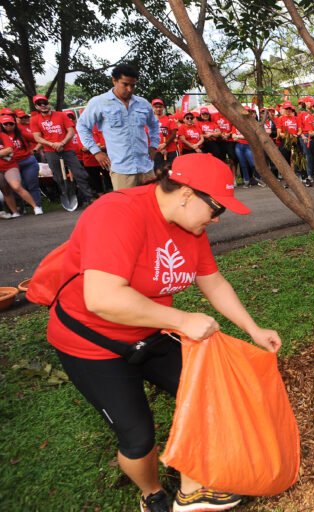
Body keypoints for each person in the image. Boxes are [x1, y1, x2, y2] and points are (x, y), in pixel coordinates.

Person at [48, 153, 281, 512]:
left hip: (150, 329)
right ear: (187, 193)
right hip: (92, 342)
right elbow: (102, 298)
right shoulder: (117, 212)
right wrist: (183, 320)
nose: (218, 220)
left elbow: (213, 281)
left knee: (209, 389)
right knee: (138, 438)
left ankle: (191, 487)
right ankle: (151, 492)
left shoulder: (191, 226)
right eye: (217, 209)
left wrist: (254, 328)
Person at [77, 63, 160, 190]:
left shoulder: (143, 104)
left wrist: (154, 145)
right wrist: (96, 151)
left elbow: (154, 125)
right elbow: (82, 126)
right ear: (114, 80)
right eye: (125, 84)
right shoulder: (99, 102)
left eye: (133, 85)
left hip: (146, 167)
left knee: (150, 206)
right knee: (126, 208)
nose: (129, 89)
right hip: (122, 170)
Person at [30, 94, 95, 206]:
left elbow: (71, 131)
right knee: (58, 177)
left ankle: (89, 197)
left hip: (67, 149)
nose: (43, 105)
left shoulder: (61, 115)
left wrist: (62, 142)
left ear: (48, 103)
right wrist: (52, 144)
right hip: (50, 151)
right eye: (39, 104)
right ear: (36, 107)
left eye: (44, 103)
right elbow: (37, 137)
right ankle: (70, 197)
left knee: (79, 173)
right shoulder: (34, 120)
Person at [0, 115, 41, 216]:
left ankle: (36, 207)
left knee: (19, 186)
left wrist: (35, 149)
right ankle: (16, 211)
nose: (8, 126)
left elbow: (9, 149)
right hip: (9, 164)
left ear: (14, 123)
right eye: (5, 124)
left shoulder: (9, 134)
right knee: (5, 190)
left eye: (11, 123)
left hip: (17, 163)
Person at [152, 99, 179, 169]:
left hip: (171, 150)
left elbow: (173, 134)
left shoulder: (170, 120)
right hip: (156, 151)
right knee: (158, 173)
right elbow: (147, 136)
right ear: (152, 108)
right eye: (156, 107)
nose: (158, 109)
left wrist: (165, 144)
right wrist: (158, 147)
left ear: (163, 107)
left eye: (160, 107)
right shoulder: (149, 121)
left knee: (173, 171)